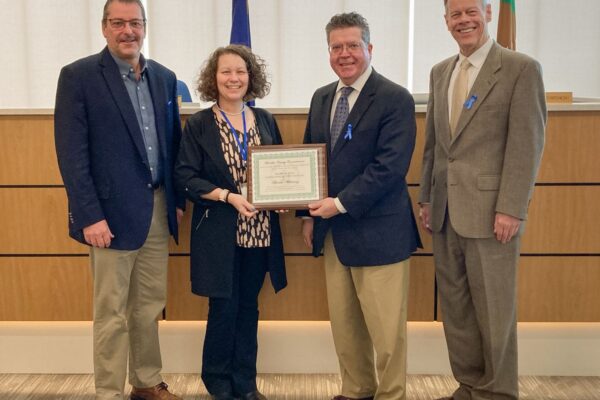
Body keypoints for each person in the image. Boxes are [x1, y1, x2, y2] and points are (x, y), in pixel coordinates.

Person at [54, 0, 184, 399]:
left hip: (158, 209)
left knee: (149, 305)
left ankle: (146, 381)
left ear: (145, 27)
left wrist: (175, 200)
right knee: (111, 313)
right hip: (107, 217)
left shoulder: (164, 78)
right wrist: (89, 214)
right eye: (118, 23)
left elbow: (172, 144)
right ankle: (108, 391)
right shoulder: (79, 76)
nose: (127, 31)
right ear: (104, 27)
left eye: (135, 23)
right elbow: (71, 153)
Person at [418, 0, 546, 399]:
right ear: (446, 22)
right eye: (455, 14)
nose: (464, 20)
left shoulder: (520, 68)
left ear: (488, 13)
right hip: (444, 212)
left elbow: (527, 144)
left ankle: (499, 391)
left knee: (494, 310)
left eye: (471, 11)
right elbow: (435, 146)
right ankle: (470, 385)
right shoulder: (441, 72)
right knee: (456, 309)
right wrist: (426, 197)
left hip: (493, 213)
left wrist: (512, 206)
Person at [299, 12, 422, 400]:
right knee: (346, 325)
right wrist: (307, 215)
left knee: (387, 332)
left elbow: (390, 168)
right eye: (337, 47)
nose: (345, 54)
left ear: (370, 48)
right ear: (329, 52)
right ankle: (356, 389)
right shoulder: (322, 97)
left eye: (353, 45)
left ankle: (391, 394)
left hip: (380, 231)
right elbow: (310, 159)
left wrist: (338, 203)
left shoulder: (394, 97)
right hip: (334, 232)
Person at [174, 45, 287, 400]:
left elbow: (282, 166)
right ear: (214, 78)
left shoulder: (265, 120)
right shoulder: (200, 124)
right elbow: (185, 176)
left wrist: (284, 197)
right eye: (226, 72)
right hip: (220, 231)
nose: (233, 78)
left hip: (259, 231)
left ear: (250, 76)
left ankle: (245, 383)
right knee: (223, 307)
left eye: (240, 71)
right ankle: (218, 382)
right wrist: (227, 196)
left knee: (250, 307)